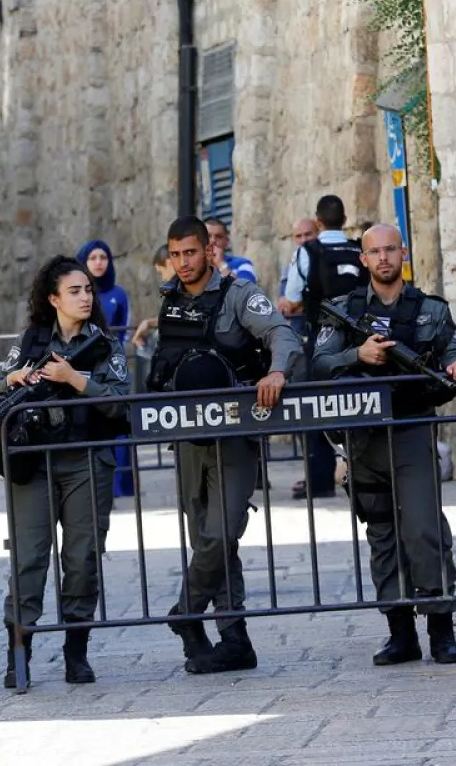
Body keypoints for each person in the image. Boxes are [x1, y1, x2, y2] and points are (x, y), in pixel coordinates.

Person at [311, 224, 456, 666]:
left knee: (423, 530)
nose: (383, 258)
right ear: (362, 259)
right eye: (374, 251)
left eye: (390, 249)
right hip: (364, 439)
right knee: (382, 534)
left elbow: (454, 350)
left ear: (403, 252)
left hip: (410, 430)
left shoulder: (429, 310)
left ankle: (441, 628)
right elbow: (318, 363)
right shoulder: (343, 311)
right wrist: (356, 356)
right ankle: (399, 631)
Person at [149, 216, 301, 674]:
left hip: (234, 435)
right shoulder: (170, 302)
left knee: (222, 531)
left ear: (209, 252)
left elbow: (282, 333)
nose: (183, 262)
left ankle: (185, 612)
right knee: (208, 538)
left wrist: (277, 372)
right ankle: (234, 639)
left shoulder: (239, 295)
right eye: (175, 254)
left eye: (191, 252)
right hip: (188, 440)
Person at [0, 255, 130, 687]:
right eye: (75, 291)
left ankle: (77, 650)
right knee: (29, 557)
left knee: (83, 557)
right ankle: (20, 651)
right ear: (53, 299)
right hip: (35, 460)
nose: (85, 296)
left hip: (86, 461)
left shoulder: (104, 344)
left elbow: (121, 402)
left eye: (88, 289)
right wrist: (15, 379)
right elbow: (0, 386)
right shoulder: (31, 339)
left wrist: (75, 379)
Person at [285, 196, 367, 500]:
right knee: (362, 402)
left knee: (314, 406)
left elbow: (292, 295)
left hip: (321, 340)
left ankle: (320, 480)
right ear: (344, 220)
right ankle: (365, 475)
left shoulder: (307, 252)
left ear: (318, 223)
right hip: (361, 341)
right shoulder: (360, 248)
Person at [78, 240, 135, 498]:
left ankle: (122, 486)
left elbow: (123, 330)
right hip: (83, 369)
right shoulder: (78, 294)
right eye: (93, 258)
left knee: (118, 423)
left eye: (104, 257)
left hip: (112, 366)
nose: (99, 262)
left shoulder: (118, 294)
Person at [277, 217, 320, 339]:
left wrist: (300, 304)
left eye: (308, 234)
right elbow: (285, 309)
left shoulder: (325, 261)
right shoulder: (290, 266)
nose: (303, 240)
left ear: (318, 233)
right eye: (298, 236)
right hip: (299, 331)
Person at [204, 218, 258, 283]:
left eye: (219, 236)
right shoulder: (192, 267)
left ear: (227, 241)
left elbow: (246, 291)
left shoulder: (242, 264)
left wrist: (221, 264)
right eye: (208, 236)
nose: (213, 241)